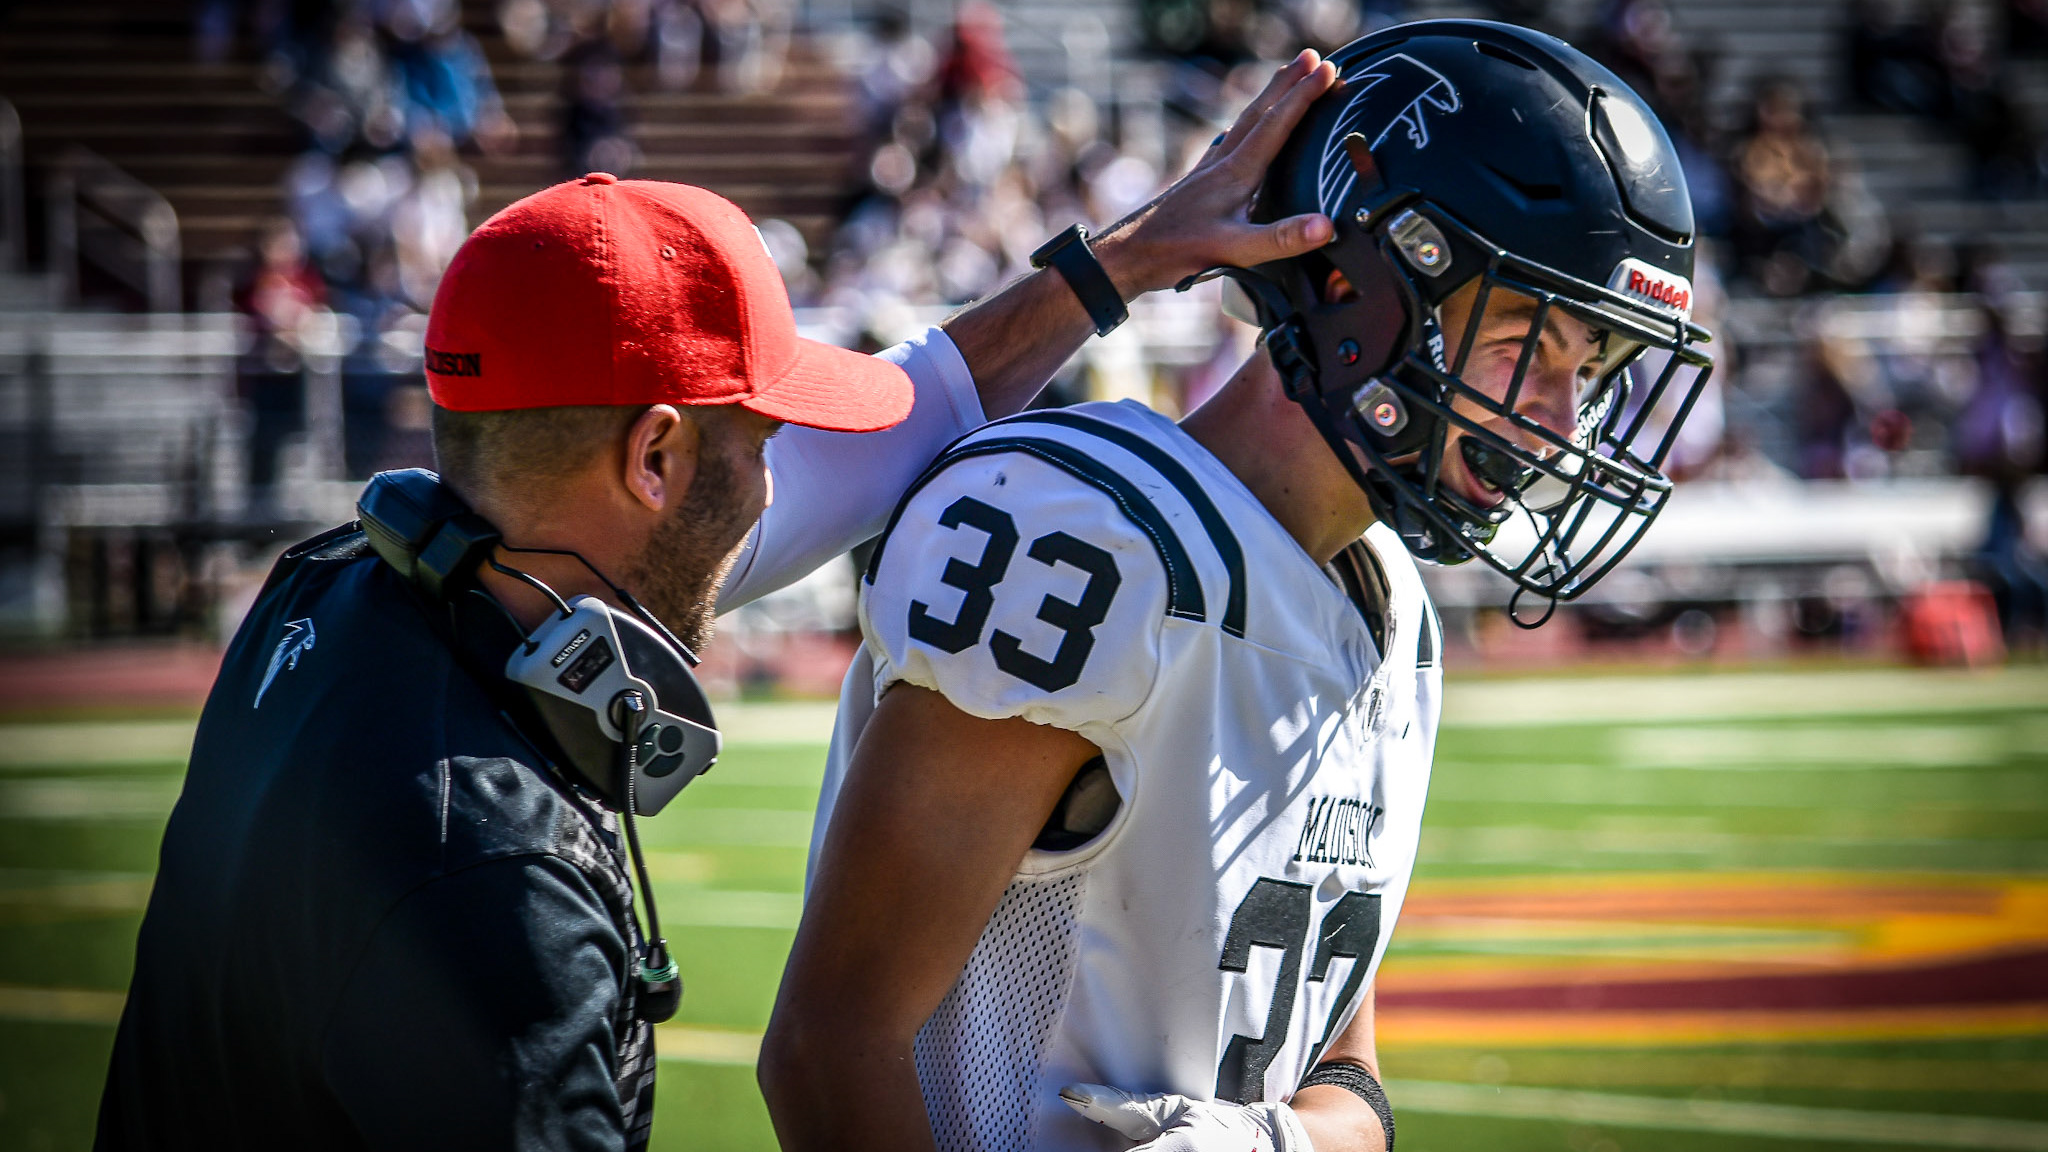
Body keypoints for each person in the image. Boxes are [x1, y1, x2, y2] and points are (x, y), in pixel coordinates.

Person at [93, 52, 1343, 1152]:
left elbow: (901, 416)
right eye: (760, 438)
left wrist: (1119, 261)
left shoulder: (331, 588)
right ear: (654, 457)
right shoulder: (496, 883)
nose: (777, 477)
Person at [762, 20, 1713, 1152]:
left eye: (1588, 369)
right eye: (1522, 345)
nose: (1557, 423)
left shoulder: (1390, 613)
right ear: (1358, 289)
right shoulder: (1090, 538)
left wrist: (1277, 1143)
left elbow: (1346, 1073)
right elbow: (830, 1047)